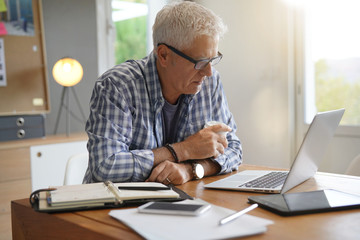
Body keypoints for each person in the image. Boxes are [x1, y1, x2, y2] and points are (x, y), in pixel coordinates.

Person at [83, 1, 242, 185]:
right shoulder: (117, 86)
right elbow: (105, 167)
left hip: (180, 202)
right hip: (112, 206)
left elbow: (234, 149)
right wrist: (184, 150)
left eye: (212, 59)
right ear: (164, 55)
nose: (208, 72)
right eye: (199, 61)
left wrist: (191, 170)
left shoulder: (210, 83)